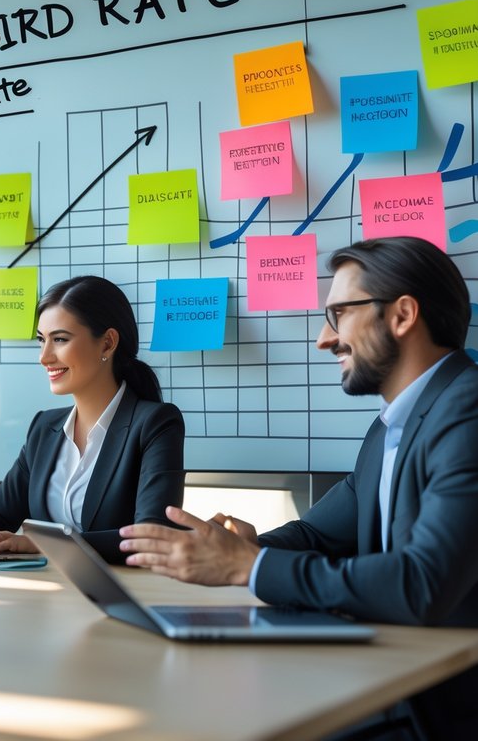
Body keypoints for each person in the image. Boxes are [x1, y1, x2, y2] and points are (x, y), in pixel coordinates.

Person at [119, 236, 478, 739]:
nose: (324, 339)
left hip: (442, 711)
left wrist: (248, 567)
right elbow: (317, 534)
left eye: (338, 315)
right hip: (394, 679)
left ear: (402, 315)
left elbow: (422, 584)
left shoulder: (467, 409)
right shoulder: (390, 428)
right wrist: (234, 550)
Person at [0, 276, 185, 563]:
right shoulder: (44, 427)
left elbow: (153, 536)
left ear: (107, 343)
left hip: (119, 587)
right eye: (41, 340)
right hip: (46, 586)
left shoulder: (155, 424)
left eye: (60, 340)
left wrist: (42, 545)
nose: (44, 357)